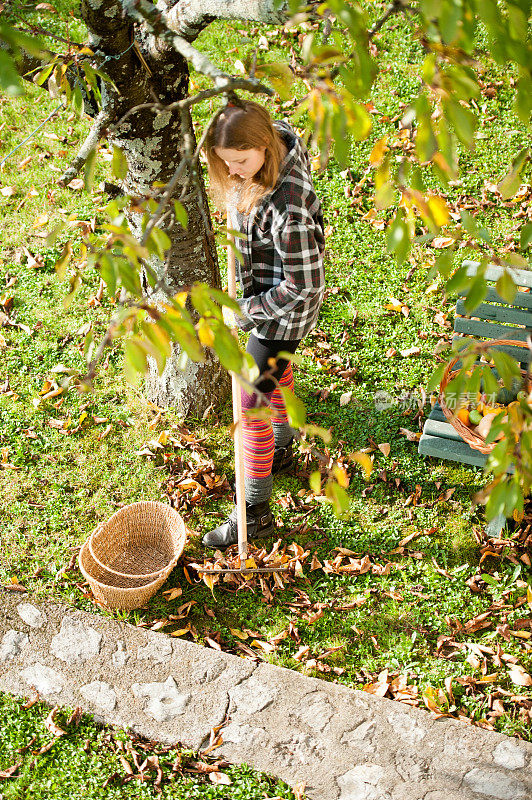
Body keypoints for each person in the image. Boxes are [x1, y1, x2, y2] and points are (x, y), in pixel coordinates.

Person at [202, 100, 325, 548]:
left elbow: (305, 283)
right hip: (266, 302)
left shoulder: (288, 209)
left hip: (282, 312)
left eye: (241, 162)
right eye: (225, 164)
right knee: (275, 370)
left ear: (263, 147)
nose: (233, 172)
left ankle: (253, 515)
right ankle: (286, 445)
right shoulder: (275, 142)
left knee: (250, 396)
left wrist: (249, 311)